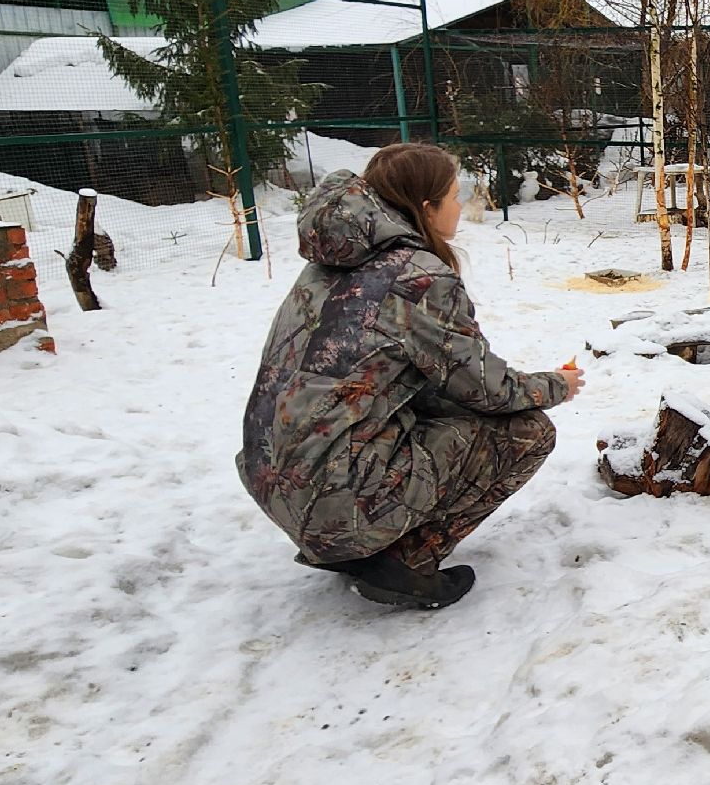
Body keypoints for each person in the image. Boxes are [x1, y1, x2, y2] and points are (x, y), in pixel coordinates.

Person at [237, 144, 582, 609]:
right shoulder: (417, 277)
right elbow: (486, 388)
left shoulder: (331, 261)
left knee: (439, 410)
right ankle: (404, 562)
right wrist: (557, 385)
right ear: (426, 208)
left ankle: (357, 541)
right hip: (331, 496)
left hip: (273, 479)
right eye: (454, 196)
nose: (460, 206)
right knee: (528, 431)